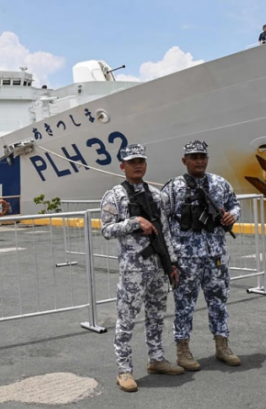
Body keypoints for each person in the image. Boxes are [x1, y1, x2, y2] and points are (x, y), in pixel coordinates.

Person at [100, 143, 185, 392]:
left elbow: (166, 232)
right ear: (122, 166)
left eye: (141, 161)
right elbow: (105, 230)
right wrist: (133, 222)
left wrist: (173, 264)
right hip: (133, 270)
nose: (138, 165)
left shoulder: (158, 196)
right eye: (132, 161)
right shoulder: (114, 195)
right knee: (126, 319)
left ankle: (156, 359)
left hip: (158, 267)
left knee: (157, 315)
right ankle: (124, 370)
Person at [162, 140, 242, 370]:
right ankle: (183, 350)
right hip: (186, 258)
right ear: (184, 160)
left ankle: (222, 345)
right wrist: (170, 260)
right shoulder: (173, 188)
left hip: (215, 256)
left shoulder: (220, 183)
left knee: (219, 302)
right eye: (194, 157)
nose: (199, 161)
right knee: (184, 304)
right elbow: (164, 222)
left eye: (202, 157)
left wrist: (232, 216)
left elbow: (235, 205)